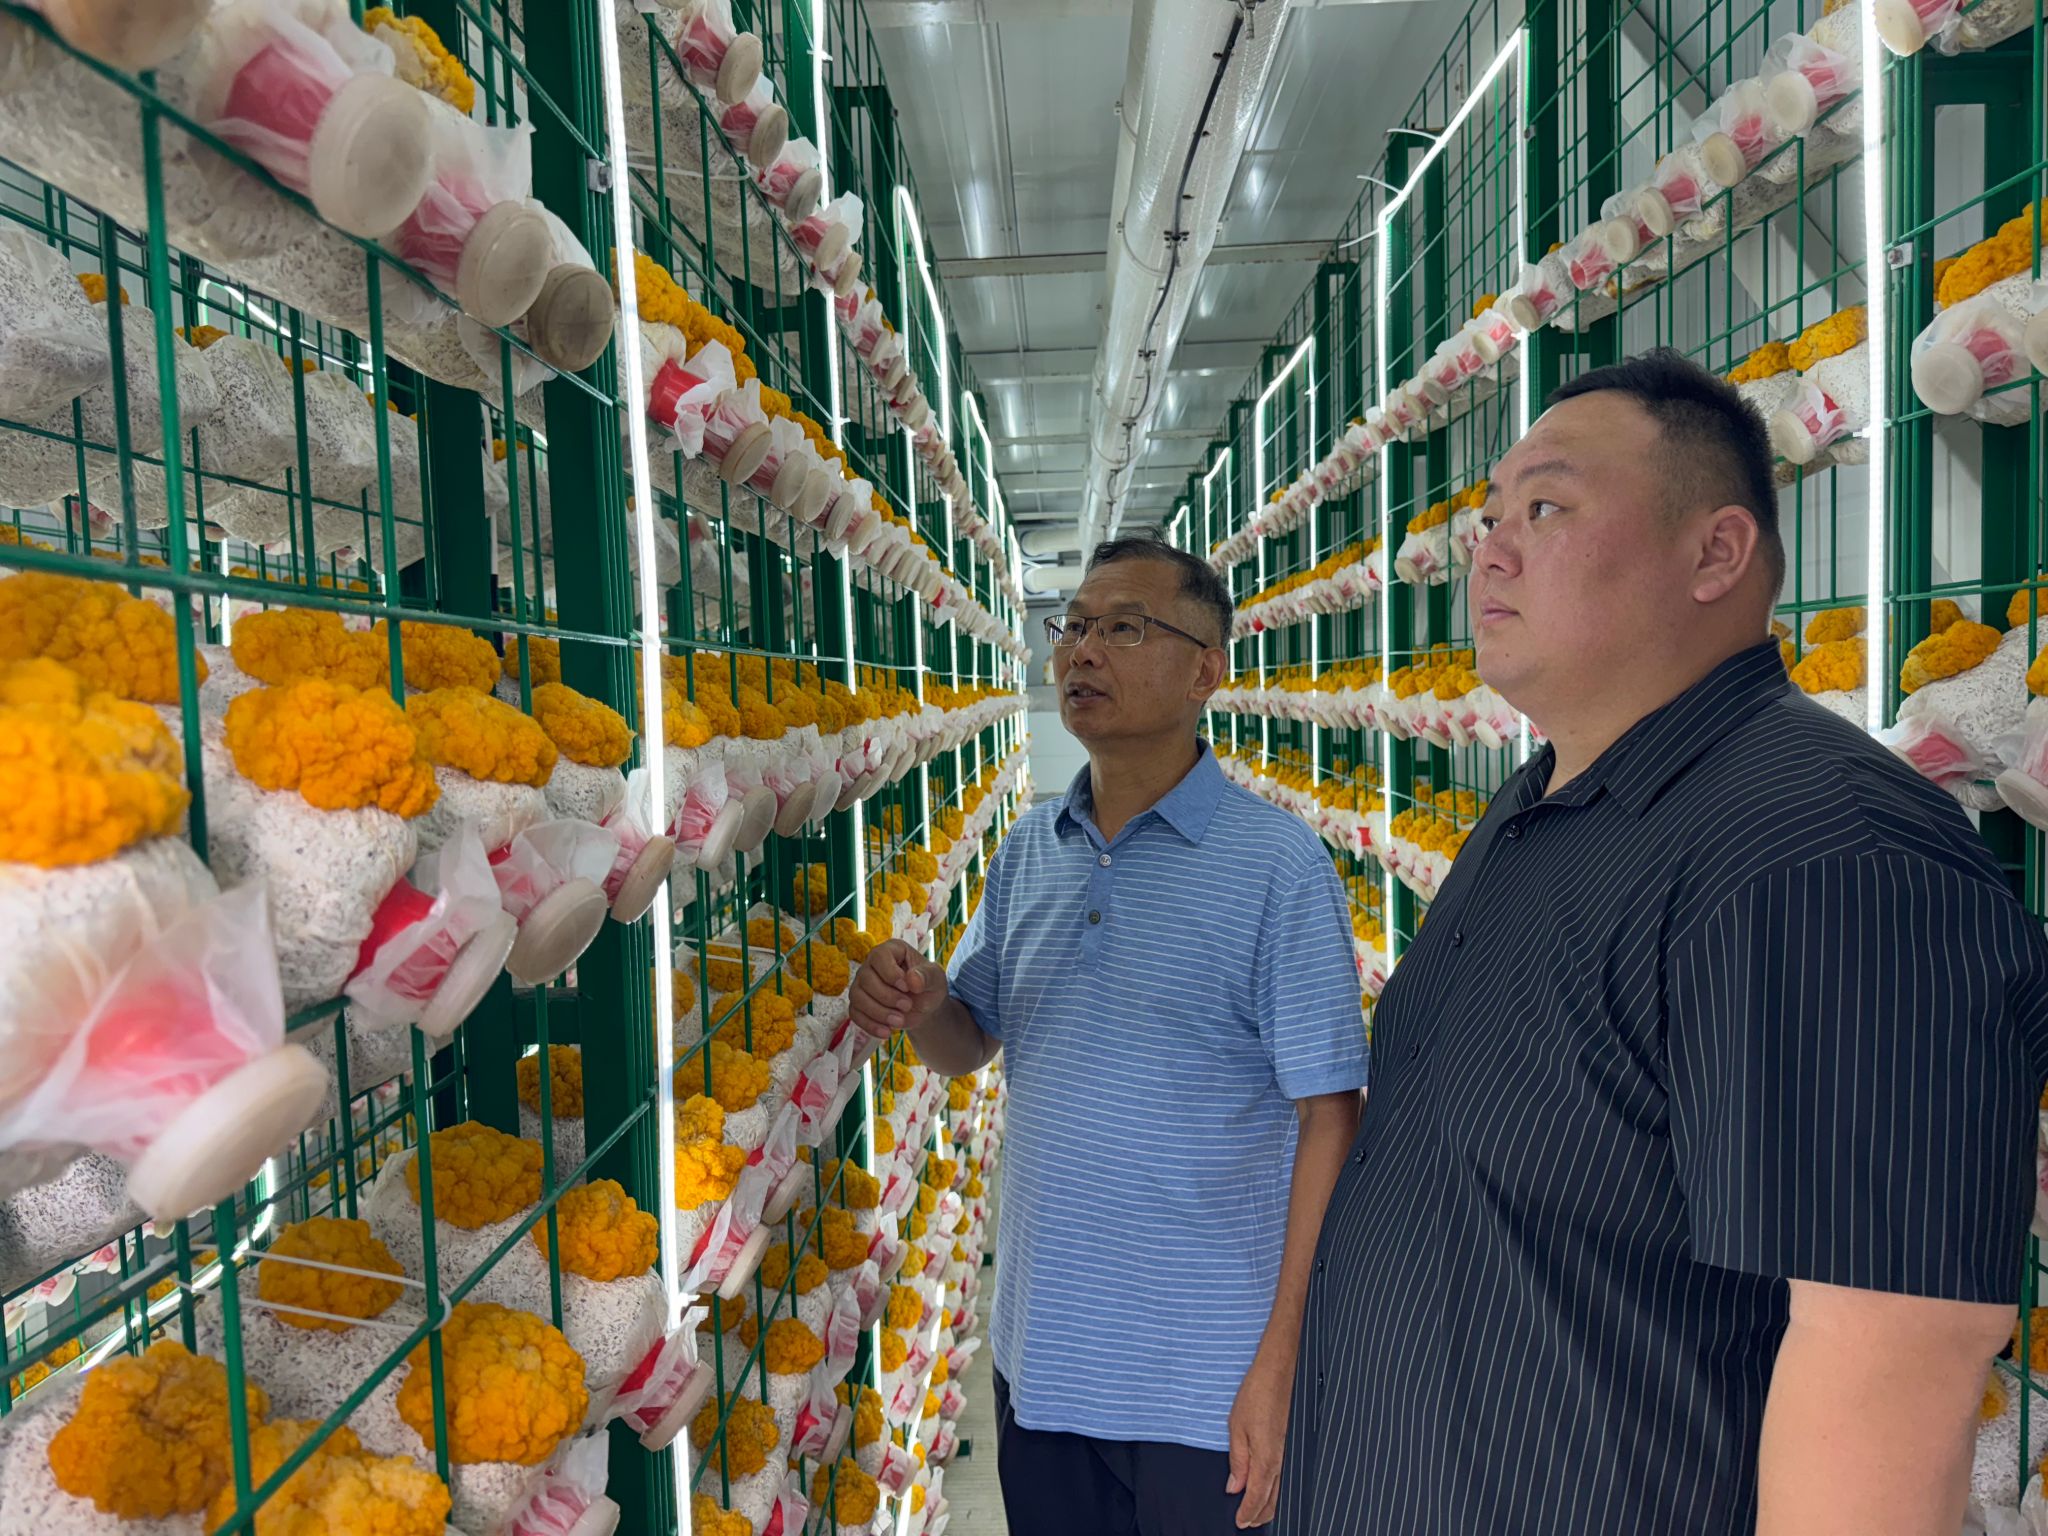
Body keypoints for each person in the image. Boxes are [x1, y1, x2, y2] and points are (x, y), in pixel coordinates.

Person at [1277, 348, 2048, 1536]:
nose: (1491, 549)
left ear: (1714, 553)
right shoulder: (1539, 804)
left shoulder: (1816, 857)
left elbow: (1893, 1356)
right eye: (1489, 516)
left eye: (1546, 507)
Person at [850, 533, 1369, 1535]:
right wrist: (923, 1007)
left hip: (1206, 1386)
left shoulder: (1278, 867)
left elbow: (1330, 1119)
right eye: (1074, 626)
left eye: (1124, 628)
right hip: (1043, 1369)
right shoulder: (1029, 852)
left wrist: (1283, 1361)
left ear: (1204, 672)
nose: (1081, 651)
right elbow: (970, 1043)